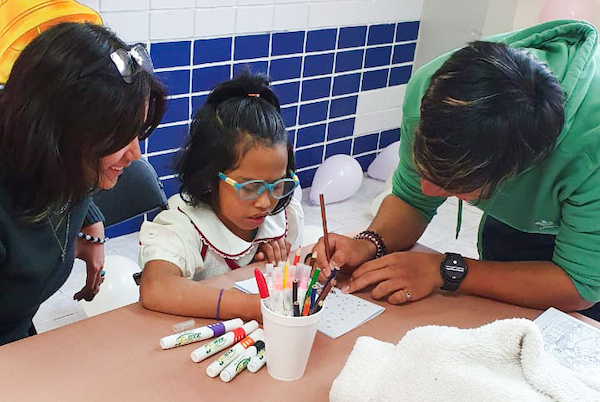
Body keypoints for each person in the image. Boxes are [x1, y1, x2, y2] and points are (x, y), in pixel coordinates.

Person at [313, 20, 600, 318]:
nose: (426, 188)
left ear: (513, 173)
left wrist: (448, 270)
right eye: (425, 168)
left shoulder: (590, 148)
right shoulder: (435, 91)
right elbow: (413, 201)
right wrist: (370, 243)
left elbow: (579, 285)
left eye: (452, 185)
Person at [0, 22, 166, 345]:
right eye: (120, 137)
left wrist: (92, 225)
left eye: (137, 132)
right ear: (55, 136)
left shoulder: (68, 166)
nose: (136, 153)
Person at [139, 73, 304, 322]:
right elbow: (156, 288)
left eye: (277, 184)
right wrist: (251, 307)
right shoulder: (182, 223)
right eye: (249, 187)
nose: (265, 202)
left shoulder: (282, 217)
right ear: (208, 178)